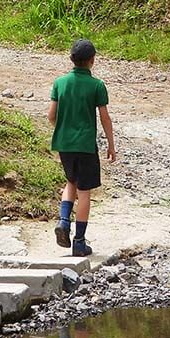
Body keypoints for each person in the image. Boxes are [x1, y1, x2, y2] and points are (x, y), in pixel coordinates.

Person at [49, 39, 115, 256]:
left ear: (71, 59)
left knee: (70, 182)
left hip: (64, 145)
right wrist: (111, 145)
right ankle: (79, 242)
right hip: (86, 145)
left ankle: (64, 221)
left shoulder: (60, 83)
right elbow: (105, 118)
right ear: (92, 60)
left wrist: (65, 127)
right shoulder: (97, 85)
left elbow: (51, 116)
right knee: (84, 192)